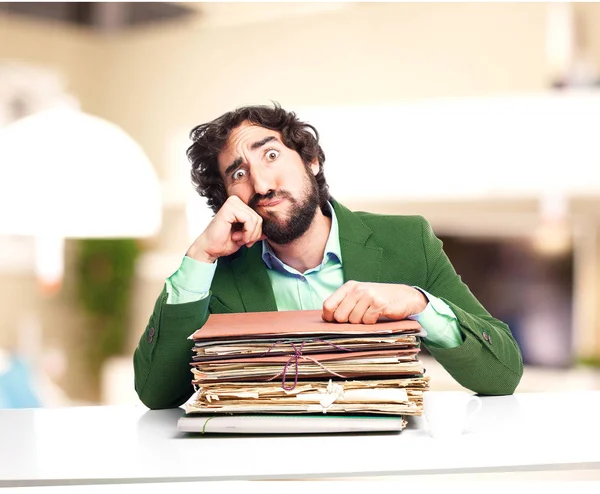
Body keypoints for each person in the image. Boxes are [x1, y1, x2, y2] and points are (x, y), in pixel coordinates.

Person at [133, 103, 523, 410]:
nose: (262, 184)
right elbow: (156, 393)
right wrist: (200, 255)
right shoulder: (213, 272)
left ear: (311, 160)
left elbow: (502, 373)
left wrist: (418, 303)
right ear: (227, 199)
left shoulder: (407, 240)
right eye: (238, 174)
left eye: (270, 155)